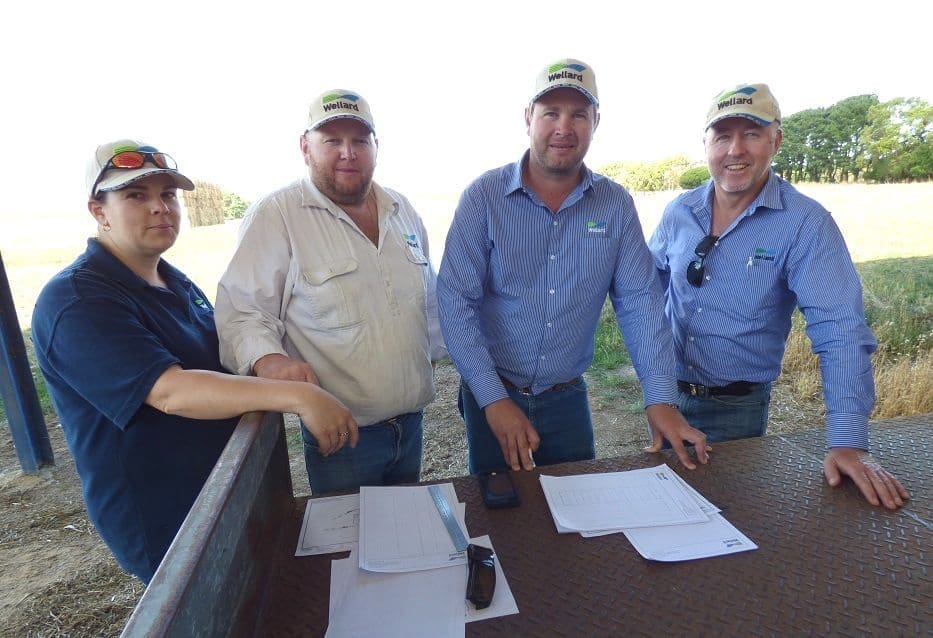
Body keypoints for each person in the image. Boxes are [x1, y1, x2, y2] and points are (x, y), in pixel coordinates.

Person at [31, 139, 358, 584]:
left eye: (167, 195)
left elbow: (219, 366)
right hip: (168, 524)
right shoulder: (77, 300)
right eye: (135, 196)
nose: (159, 208)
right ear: (98, 210)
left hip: (222, 501)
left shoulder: (173, 280)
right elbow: (171, 390)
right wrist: (298, 395)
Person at [437, 59, 710, 475]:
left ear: (595, 121)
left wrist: (660, 399)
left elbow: (640, 304)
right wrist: (493, 400)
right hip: (495, 393)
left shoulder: (615, 204)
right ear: (528, 118)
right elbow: (456, 302)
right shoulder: (484, 198)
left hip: (568, 399)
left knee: (579, 518)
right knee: (500, 514)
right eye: (551, 113)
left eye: (579, 114)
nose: (564, 127)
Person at [647, 83, 910, 510]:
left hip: (736, 407)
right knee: (668, 513)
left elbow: (839, 326)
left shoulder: (805, 224)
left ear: (776, 140)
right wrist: (655, 384)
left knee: (733, 522)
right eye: (722, 135)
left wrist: (847, 440)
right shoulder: (680, 211)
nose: (736, 150)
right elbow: (648, 287)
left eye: (751, 133)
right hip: (666, 398)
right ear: (706, 143)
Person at [215, 90, 446, 495]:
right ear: (305, 148)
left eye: (359, 140)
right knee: (349, 549)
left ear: (377, 147)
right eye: (331, 141)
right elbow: (243, 312)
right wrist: (269, 360)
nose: (348, 153)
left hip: (411, 425)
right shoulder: (278, 215)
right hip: (344, 437)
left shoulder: (401, 209)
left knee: (404, 539)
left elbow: (428, 305)